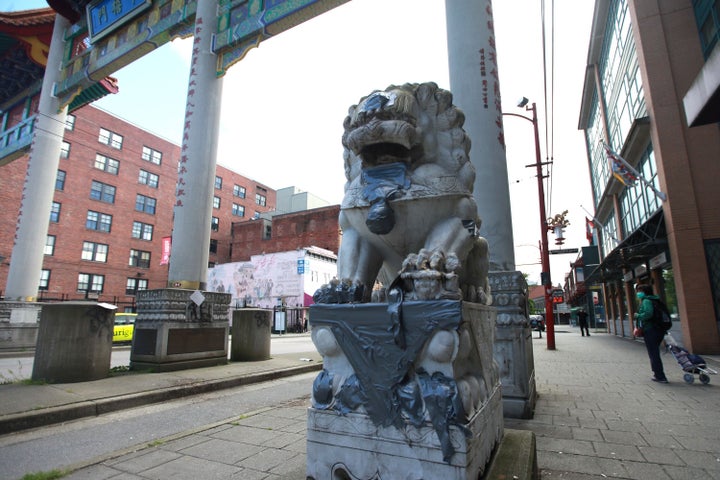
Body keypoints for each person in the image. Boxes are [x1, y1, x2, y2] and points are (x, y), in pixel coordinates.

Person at [634, 284, 668, 383]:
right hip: (658, 329)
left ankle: (660, 376)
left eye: (639, 291)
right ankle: (659, 374)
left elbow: (648, 314)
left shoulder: (646, 301)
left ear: (644, 292)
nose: (638, 293)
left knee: (653, 353)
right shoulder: (655, 300)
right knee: (654, 352)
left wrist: (638, 315)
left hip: (651, 330)